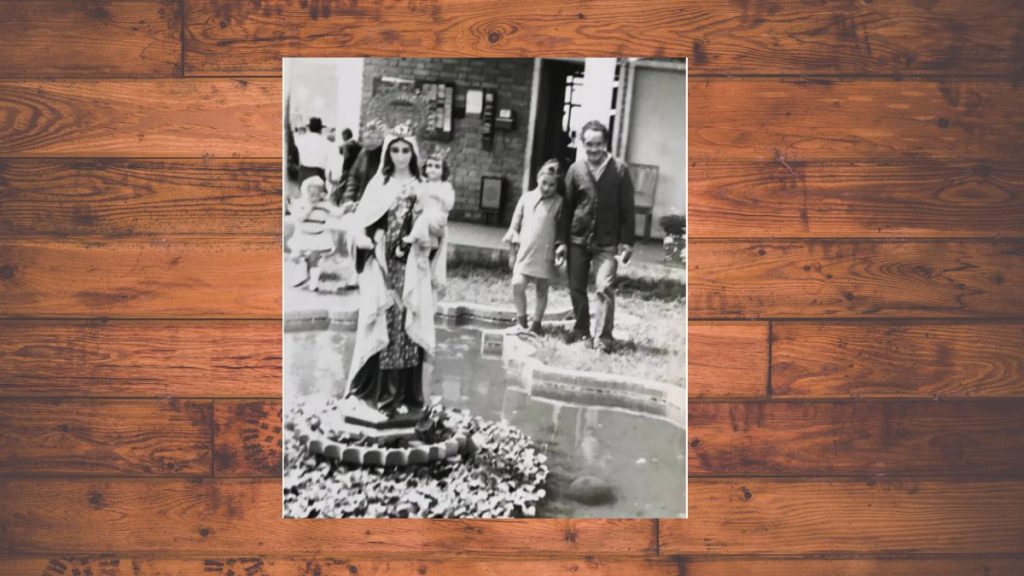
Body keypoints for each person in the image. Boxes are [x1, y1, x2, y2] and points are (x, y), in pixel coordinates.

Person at [343, 128, 441, 420]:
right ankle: (377, 393)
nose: (400, 156)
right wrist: (364, 238)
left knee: (405, 324)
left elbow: (436, 225)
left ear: (413, 154)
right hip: (382, 263)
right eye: (395, 150)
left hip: (410, 265)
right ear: (388, 153)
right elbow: (361, 222)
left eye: (405, 151)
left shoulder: (421, 186)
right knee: (384, 321)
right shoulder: (379, 183)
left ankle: (404, 395)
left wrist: (423, 231)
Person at [556, 120, 635, 353]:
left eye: (598, 144)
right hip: (577, 239)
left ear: (605, 144)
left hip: (607, 241)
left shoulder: (620, 170)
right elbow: (567, 209)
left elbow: (627, 209)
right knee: (576, 286)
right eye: (589, 144)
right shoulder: (575, 170)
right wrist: (561, 242)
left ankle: (603, 339)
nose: (593, 149)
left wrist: (628, 241)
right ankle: (581, 330)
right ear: (582, 144)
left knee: (604, 287)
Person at [503, 159, 564, 335]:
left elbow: (561, 230)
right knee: (517, 283)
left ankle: (536, 324)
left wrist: (560, 248)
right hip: (525, 252)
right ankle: (521, 321)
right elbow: (514, 228)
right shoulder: (526, 198)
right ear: (538, 178)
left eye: (551, 185)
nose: (546, 188)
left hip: (545, 252)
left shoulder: (559, 203)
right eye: (544, 183)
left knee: (541, 288)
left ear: (556, 186)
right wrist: (512, 254)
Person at [285, 176, 343, 289]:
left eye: (317, 194)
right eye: (311, 194)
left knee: (314, 259)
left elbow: (337, 213)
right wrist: (308, 209)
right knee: (294, 256)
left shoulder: (324, 205)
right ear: (305, 193)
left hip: (317, 236)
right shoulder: (302, 204)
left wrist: (344, 210)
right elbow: (298, 218)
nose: (314, 198)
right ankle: (302, 274)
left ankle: (314, 283)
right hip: (302, 235)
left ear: (321, 194)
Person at [403, 148, 455, 251]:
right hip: (423, 218)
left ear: (443, 170)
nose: (432, 169)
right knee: (420, 217)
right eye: (430, 165)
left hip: (438, 219)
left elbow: (449, 205)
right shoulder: (423, 183)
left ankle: (414, 237)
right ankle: (424, 244)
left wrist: (438, 196)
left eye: (437, 167)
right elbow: (416, 196)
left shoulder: (445, 186)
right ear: (425, 168)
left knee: (424, 217)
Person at [343, 120, 387, 205]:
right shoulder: (363, 154)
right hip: (360, 202)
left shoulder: (386, 155)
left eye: (373, 132)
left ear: (381, 138)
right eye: (366, 132)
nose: (368, 134)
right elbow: (353, 178)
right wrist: (349, 198)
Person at [294, 117, 331, 185]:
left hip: (303, 174)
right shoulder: (327, 143)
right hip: (319, 175)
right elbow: (329, 165)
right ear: (320, 129)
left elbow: (295, 159)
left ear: (309, 128)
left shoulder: (299, 141)